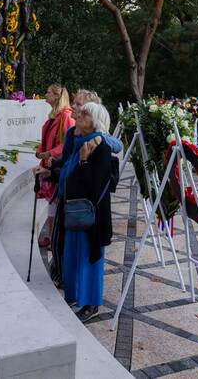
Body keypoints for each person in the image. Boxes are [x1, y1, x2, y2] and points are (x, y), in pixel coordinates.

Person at [47, 89, 122, 287]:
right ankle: (63, 277)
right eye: (76, 105)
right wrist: (51, 167)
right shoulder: (74, 134)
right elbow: (67, 161)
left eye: (81, 107)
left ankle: (68, 282)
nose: (75, 110)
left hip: (83, 205)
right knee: (63, 242)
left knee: (83, 249)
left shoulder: (98, 142)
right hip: (67, 194)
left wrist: (85, 158)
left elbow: (94, 179)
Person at [60, 102, 115, 322]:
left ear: (95, 122)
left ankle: (91, 304)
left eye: (84, 114)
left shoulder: (100, 148)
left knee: (89, 258)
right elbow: (68, 171)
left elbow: (95, 186)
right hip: (75, 211)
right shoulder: (78, 142)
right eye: (80, 113)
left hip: (92, 217)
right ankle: (74, 295)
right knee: (73, 253)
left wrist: (83, 162)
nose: (78, 116)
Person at [35, 84, 75, 248]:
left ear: (56, 97)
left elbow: (67, 143)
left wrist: (50, 153)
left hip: (56, 166)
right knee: (51, 204)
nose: (45, 94)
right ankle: (52, 238)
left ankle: (55, 239)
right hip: (48, 163)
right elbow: (46, 138)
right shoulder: (54, 116)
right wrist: (40, 151)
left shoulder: (66, 117)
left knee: (56, 204)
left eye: (48, 92)